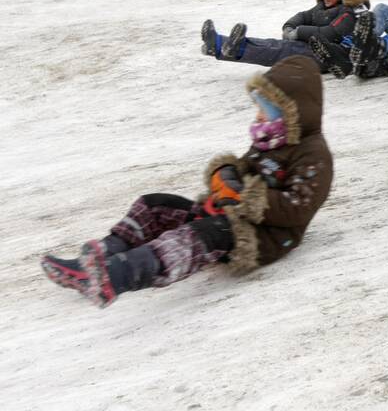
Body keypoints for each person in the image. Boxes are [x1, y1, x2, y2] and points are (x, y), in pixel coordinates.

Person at [40, 56, 333, 308]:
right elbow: (246, 170)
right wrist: (227, 173)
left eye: (266, 110)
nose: (259, 116)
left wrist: (248, 196)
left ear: (294, 111)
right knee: (154, 205)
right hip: (227, 214)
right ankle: (101, 256)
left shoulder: (314, 156)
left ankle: (115, 276)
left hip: (261, 239)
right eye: (258, 108)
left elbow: (298, 208)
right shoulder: (271, 139)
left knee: (193, 235)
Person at [201, 0, 372, 72]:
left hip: (328, 56)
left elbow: (331, 33)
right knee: (274, 45)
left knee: (278, 50)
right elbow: (303, 16)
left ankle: (231, 48)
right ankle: (216, 45)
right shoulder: (322, 7)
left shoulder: (349, 11)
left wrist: (298, 32)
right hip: (312, 48)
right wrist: (289, 27)